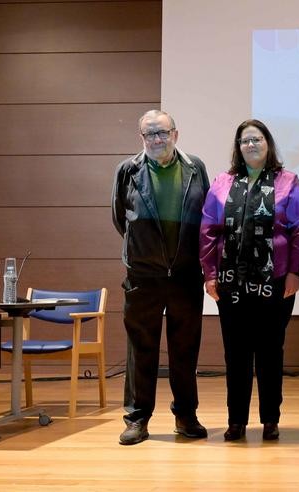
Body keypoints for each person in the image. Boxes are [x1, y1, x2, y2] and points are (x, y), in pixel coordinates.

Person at [200, 119, 299, 441]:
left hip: (274, 280)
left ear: (268, 143)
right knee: (235, 353)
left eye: (257, 139)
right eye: (245, 141)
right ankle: (236, 421)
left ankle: (270, 419)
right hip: (231, 282)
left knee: (270, 351)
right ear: (238, 147)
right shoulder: (222, 182)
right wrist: (209, 274)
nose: (251, 145)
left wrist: (294, 272)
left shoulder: (288, 182)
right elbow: (208, 230)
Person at [112, 109, 210, 445]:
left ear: (175, 134)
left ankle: (186, 416)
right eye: (150, 134)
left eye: (162, 133)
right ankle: (137, 419)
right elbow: (120, 218)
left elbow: (206, 219)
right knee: (142, 349)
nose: (157, 139)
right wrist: (145, 251)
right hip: (143, 276)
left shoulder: (196, 167)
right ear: (142, 138)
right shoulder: (127, 170)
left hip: (185, 275)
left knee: (185, 349)